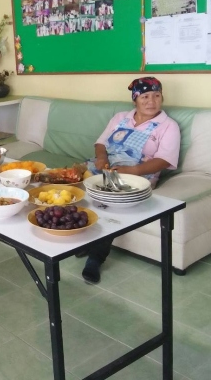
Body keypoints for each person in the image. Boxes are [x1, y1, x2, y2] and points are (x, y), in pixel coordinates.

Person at [81, 77, 180, 283]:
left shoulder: (168, 126)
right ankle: (83, 240)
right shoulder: (120, 118)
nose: (151, 101)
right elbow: (101, 143)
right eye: (145, 96)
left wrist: (133, 170)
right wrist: (102, 158)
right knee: (74, 186)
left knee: (111, 203)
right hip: (106, 168)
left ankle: (95, 258)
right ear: (135, 99)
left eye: (156, 95)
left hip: (138, 176)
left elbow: (164, 160)